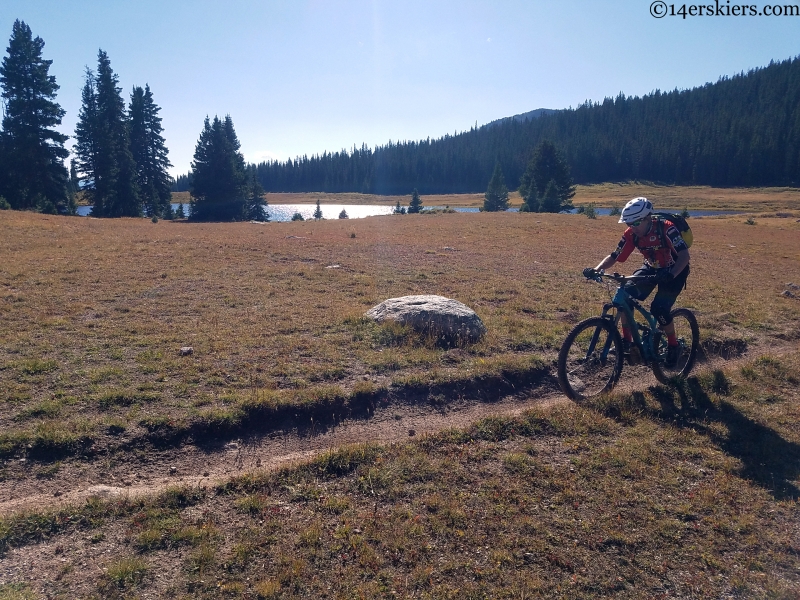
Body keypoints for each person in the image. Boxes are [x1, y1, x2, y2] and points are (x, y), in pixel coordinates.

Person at [584, 197, 690, 367]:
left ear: (648, 217)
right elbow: (615, 256)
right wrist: (597, 269)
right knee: (623, 297)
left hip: (675, 269)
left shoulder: (666, 229)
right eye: (628, 223)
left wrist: (672, 274)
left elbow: (684, 256)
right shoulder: (631, 234)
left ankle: (673, 345)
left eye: (636, 222)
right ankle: (628, 342)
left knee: (659, 309)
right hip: (651, 267)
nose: (632, 227)